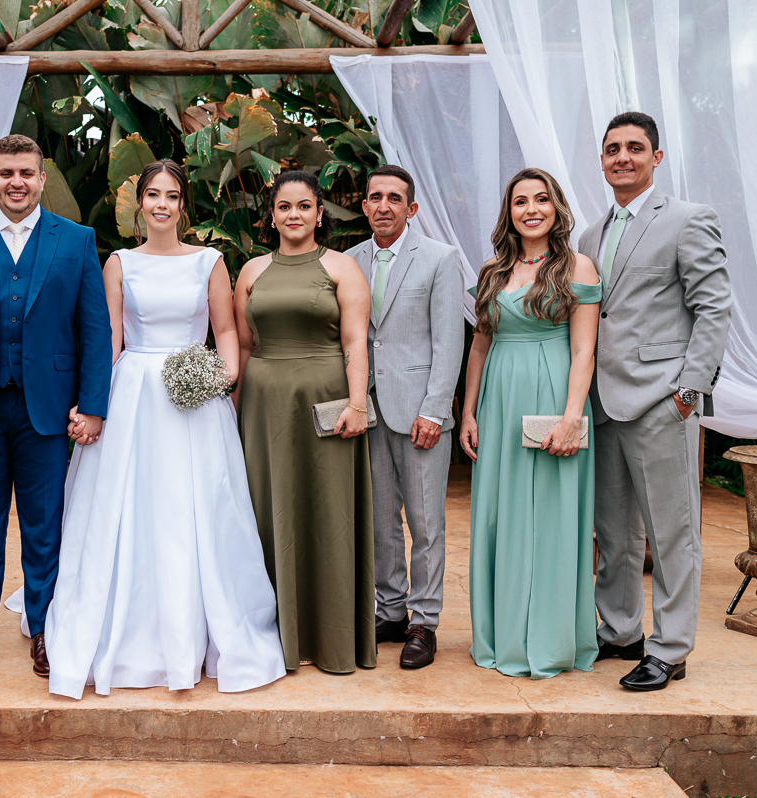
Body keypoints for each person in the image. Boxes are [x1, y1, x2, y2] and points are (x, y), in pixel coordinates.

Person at [43, 160, 286, 698]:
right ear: (138, 204)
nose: (161, 204)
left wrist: (217, 380)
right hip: (133, 393)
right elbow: (109, 338)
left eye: (171, 196)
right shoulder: (120, 263)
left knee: (197, 507)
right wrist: (92, 402)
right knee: (128, 507)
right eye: (152, 194)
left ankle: (205, 627)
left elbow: (225, 331)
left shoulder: (210, 262)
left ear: (183, 205)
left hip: (193, 398)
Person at [0, 134, 112, 678]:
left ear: (41, 179)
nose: (16, 183)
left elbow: (94, 331)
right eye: (6, 173)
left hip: (48, 412)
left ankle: (45, 629)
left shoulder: (75, 240)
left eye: (26, 173)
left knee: (43, 525)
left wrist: (93, 404)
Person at [580, 112, 730, 691]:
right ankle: (620, 632)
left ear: (656, 158)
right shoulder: (589, 236)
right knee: (613, 531)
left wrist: (688, 393)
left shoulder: (689, 220)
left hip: (663, 401)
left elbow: (714, 308)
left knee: (671, 535)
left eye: (635, 148)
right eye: (613, 148)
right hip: (602, 404)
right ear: (601, 159)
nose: (623, 157)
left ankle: (670, 649)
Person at [461, 168, 600, 679]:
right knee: (500, 514)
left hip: (553, 393)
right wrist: (468, 411)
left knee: (552, 517)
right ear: (509, 213)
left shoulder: (577, 266)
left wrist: (571, 417)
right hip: (499, 398)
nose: (531, 209)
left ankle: (550, 635)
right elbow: (480, 344)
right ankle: (501, 634)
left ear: (556, 207)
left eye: (541, 199)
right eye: (521, 201)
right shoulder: (493, 271)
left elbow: (584, 349)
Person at [234, 170, 375, 674]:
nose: (293, 214)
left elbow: (355, 342)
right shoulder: (251, 270)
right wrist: (232, 414)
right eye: (284, 206)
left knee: (327, 510)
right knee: (265, 509)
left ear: (320, 213)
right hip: (262, 403)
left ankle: (329, 636)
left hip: (326, 399)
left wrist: (357, 404)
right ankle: (271, 637)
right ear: (270, 215)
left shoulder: (342, 268)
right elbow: (244, 347)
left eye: (304, 206)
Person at [344, 165, 464, 669]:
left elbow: (448, 341)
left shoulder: (440, 258)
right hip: (368, 411)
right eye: (375, 197)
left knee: (425, 522)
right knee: (381, 522)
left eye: (395, 198)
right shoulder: (349, 261)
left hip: (420, 413)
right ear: (365, 206)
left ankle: (424, 621)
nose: (384, 206)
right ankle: (390, 610)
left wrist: (435, 410)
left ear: (411, 208)